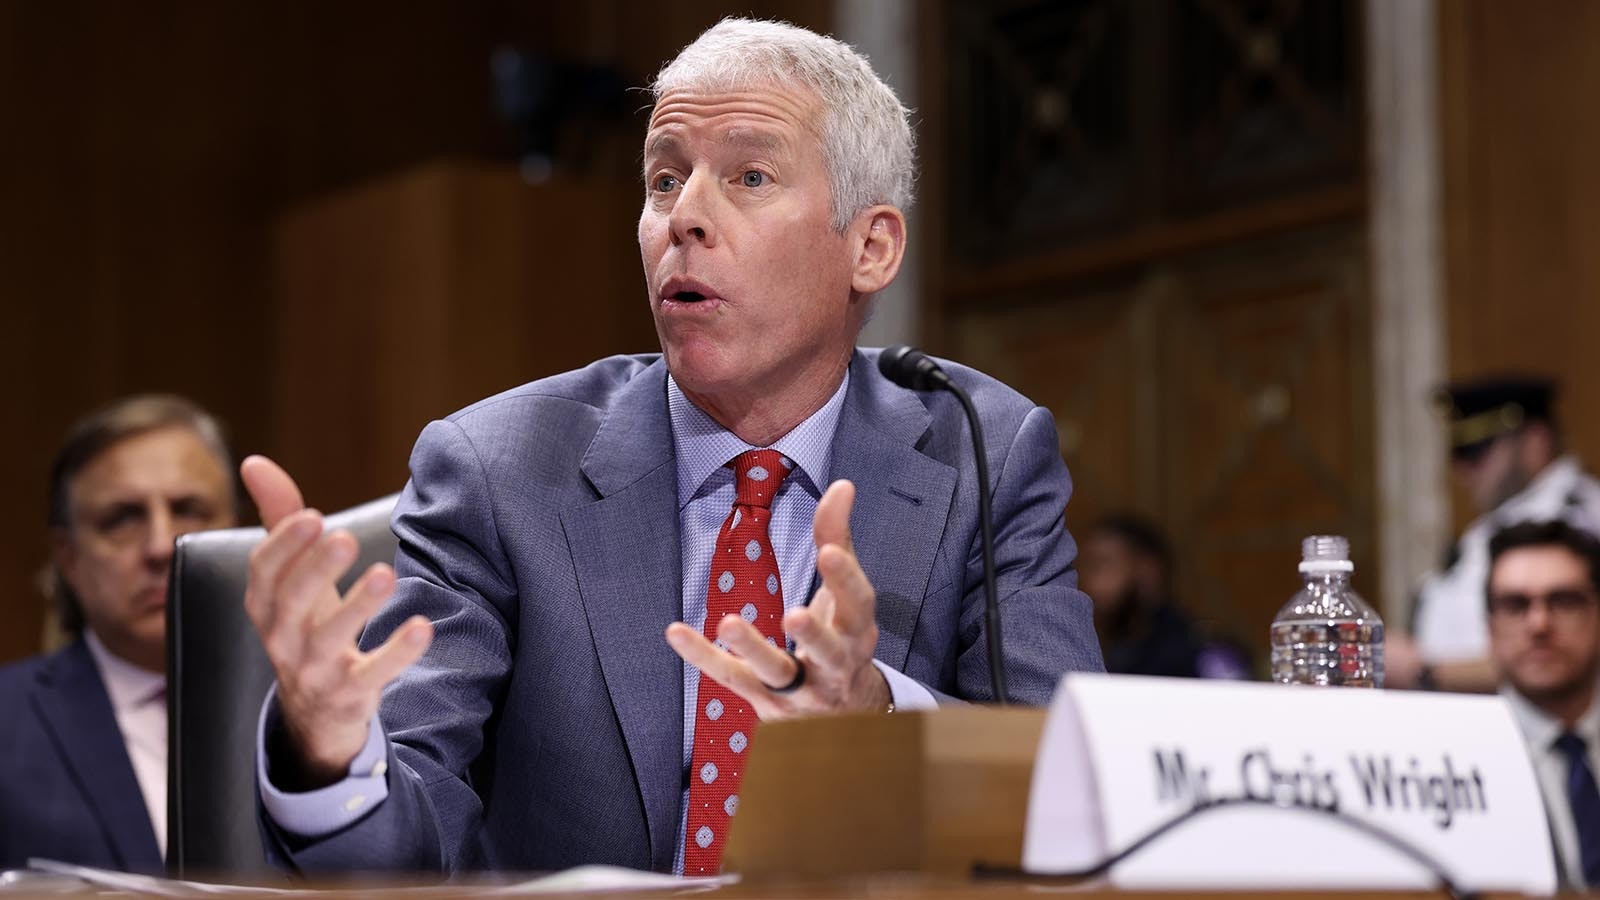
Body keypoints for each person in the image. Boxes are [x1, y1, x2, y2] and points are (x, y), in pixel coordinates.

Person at [243, 18, 1103, 876]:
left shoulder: (984, 452)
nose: (683, 217)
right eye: (663, 179)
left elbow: (1075, 791)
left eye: (750, 176)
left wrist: (879, 713)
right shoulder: (496, 470)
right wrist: (330, 749)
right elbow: (400, 848)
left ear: (870, 247)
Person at [0, 396, 237, 872]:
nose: (160, 546)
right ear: (69, 558)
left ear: (237, 531)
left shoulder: (313, 712)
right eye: (123, 518)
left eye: (189, 510)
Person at [1389, 376, 1600, 692]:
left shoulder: (1575, 520)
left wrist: (1422, 671)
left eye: (1477, 451)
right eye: (1457, 454)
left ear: (1535, 442)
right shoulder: (1495, 524)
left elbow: (1565, 654)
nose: (1463, 470)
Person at [1484, 520, 1600, 889]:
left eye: (1563, 600)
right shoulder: (1460, 763)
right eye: (1516, 605)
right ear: (1490, 626)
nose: (1539, 623)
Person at [1080, 515, 1249, 679]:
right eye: (1087, 565)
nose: (1090, 579)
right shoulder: (1099, 649)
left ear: (1148, 571)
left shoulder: (1200, 651)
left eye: (1104, 563)